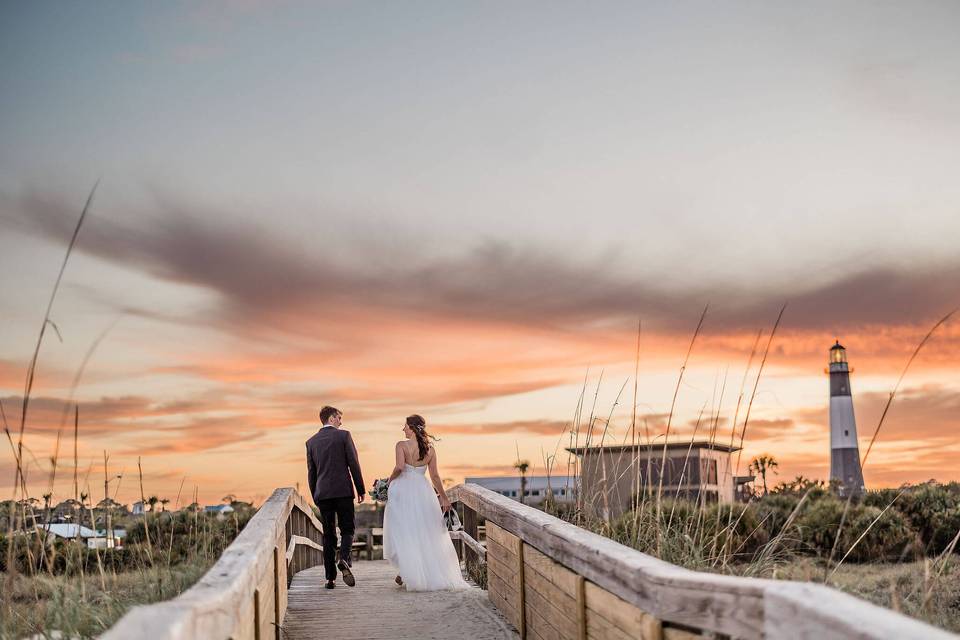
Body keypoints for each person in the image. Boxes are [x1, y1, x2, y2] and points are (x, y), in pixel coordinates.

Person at [382, 414, 470, 591]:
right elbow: (435, 476)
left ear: (412, 428)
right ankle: (411, 571)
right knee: (424, 529)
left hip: (403, 490)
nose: (403, 429)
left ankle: (408, 570)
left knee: (404, 530)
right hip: (423, 490)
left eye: (405, 426)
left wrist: (388, 482)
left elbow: (399, 468)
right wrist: (444, 498)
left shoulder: (401, 445)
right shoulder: (430, 449)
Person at [306, 405, 365, 589]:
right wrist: (360, 488)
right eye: (339, 418)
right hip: (343, 491)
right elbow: (353, 463)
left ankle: (330, 578)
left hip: (323, 494)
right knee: (347, 529)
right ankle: (344, 559)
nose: (341, 421)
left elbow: (311, 473)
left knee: (329, 535)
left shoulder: (311, 442)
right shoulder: (344, 436)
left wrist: (316, 495)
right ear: (331, 418)